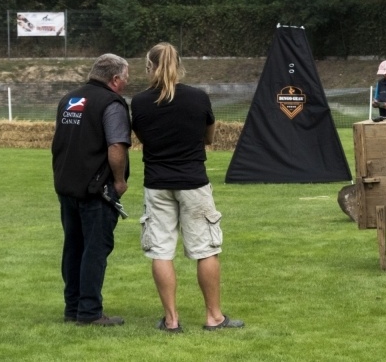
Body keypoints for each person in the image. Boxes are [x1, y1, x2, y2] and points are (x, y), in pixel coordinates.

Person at [131, 42, 244, 333]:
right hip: (193, 181)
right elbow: (208, 137)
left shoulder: (140, 102)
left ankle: (171, 320)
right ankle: (214, 317)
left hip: (157, 183)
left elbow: (143, 138)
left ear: (149, 67)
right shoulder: (198, 98)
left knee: (161, 250)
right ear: (179, 65)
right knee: (205, 249)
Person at [52, 53, 131, 326]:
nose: (127, 82)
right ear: (116, 79)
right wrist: (119, 181)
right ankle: (89, 312)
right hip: (97, 190)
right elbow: (116, 146)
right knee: (95, 250)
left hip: (67, 187)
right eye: (126, 77)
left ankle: (72, 307)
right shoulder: (112, 103)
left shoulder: (69, 99)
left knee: (73, 248)